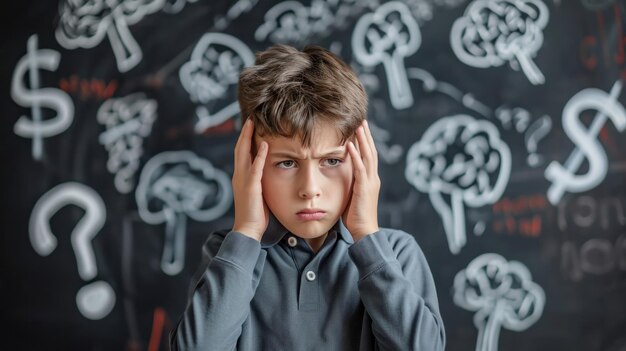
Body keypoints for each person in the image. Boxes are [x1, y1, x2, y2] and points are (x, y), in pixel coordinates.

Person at [170, 44, 445, 350]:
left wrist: (368, 240)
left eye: (332, 161)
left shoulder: (396, 253)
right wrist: (246, 232)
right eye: (287, 163)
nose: (310, 189)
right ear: (251, 165)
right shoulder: (230, 254)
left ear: (362, 162)